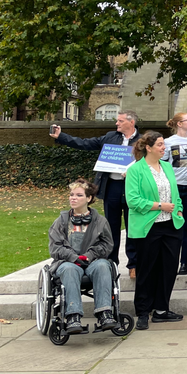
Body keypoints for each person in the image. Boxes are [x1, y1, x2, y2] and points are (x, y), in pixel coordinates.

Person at [51, 111, 140, 276]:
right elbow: (85, 143)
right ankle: (111, 263)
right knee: (111, 227)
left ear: (131, 122)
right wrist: (61, 136)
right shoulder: (110, 137)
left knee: (132, 227)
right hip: (112, 187)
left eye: (120, 121)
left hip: (132, 189)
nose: (116, 124)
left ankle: (133, 264)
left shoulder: (141, 141)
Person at [126, 131, 185, 330]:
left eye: (163, 144)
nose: (164, 148)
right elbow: (132, 201)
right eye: (160, 145)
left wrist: (179, 210)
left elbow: (175, 195)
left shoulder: (167, 166)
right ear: (148, 148)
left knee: (169, 269)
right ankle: (143, 312)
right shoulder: (136, 170)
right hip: (148, 227)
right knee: (147, 270)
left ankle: (161, 309)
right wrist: (160, 206)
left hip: (171, 225)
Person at [48, 179, 117, 333]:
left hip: (92, 261)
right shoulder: (60, 222)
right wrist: (74, 258)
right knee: (70, 270)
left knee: (102, 266)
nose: (73, 198)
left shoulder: (100, 222)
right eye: (71, 195)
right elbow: (55, 247)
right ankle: (73, 316)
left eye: (79, 195)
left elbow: (107, 245)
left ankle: (105, 313)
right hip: (67, 263)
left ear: (89, 198)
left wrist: (89, 256)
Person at [162, 112, 187, 276]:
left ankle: (185, 261)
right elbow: (163, 164)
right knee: (172, 224)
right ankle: (170, 258)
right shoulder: (168, 142)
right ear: (179, 124)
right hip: (175, 188)